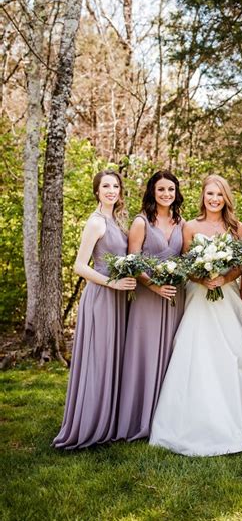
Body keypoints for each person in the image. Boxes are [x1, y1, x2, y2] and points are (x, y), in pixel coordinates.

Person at [149, 174, 242, 456]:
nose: (214, 199)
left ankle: (238, 419)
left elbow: (241, 265)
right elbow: (186, 262)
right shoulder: (190, 226)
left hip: (227, 296)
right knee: (195, 352)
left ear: (226, 198)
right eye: (210, 194)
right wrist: (202, 279)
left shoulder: (237, 226)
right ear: (203, 196)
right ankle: (187, 422)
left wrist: (223, 280)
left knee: (235, 355)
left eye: (219, 195)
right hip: (199, 295)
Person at [53, 170, 135, 449]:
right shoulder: (95, 222)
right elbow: (80, 266)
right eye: (105, 186)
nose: (111, 190)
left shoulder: (116, 220)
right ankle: (89, 425)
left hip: (117, 298)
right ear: (97, 191)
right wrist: (113, 283)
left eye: (115, 186)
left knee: (112, 358)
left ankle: (107, 422)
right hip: (101, 297)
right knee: (98, 359)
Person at [116, 170, 185, 441]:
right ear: (152, 193)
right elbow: (132, 263)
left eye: (170, 189)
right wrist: (154, 286)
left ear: (176, 193)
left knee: (170, 356)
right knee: (144, 355)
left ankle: (165, 419)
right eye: (161, 190)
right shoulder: (141, 222)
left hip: (175, 297)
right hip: (147, 297)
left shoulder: (182, 222)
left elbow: (187, 258)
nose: (166, 194)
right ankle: (138, 419)